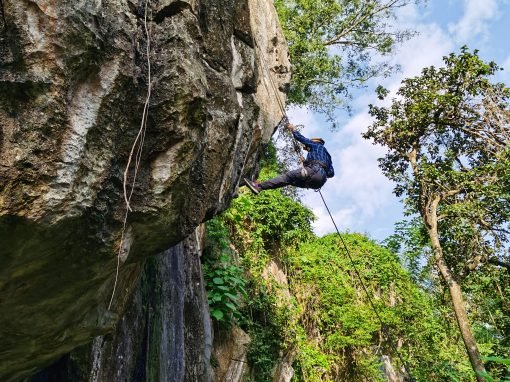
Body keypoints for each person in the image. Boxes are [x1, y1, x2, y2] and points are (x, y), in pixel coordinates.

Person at [244, 123, 334, 194]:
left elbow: (300, 138)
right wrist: (306, 162)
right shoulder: (328, 157)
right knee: (289, 181)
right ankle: (261, 186)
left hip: (314, 171)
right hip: (319, 182)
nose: (306, 147)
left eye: (308, 146)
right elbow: (331, 173)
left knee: (287, 177)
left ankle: (258, 186)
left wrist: (293, 129)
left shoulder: (316, 145)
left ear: (316, 142)